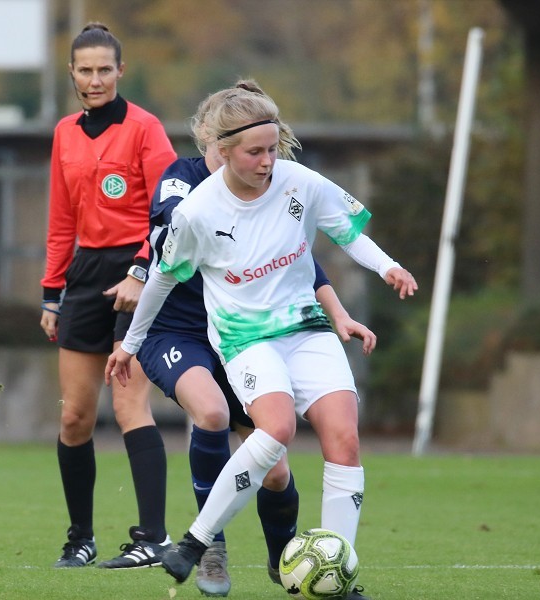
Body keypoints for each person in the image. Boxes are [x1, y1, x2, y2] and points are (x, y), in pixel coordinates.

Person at [106, 83, 418, 599]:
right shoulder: (198, 211)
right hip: (245, 337)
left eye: (273, 149)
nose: (268, 161)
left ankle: (335, 576)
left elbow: (346, 233)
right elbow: (160, 277)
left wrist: (389, 267)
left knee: (345, 438)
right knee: (276, 431)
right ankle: (198, 541)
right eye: (255, 152)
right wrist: (131, 344)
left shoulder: (299, 182)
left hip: (306, 328)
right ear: (224, 150)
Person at [40, 22, 178, 569]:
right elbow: (60, 221)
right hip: (85, 274)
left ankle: (153, 537)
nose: (94, 79)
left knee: (127, 404)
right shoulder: (64, 133)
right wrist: (51, 294)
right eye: (85, 70)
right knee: (75, 416)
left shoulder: (146, 129)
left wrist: (141, 272)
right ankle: (80, 539)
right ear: (71, 73)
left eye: (104, 69)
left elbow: (170, 213)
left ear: (121, 71)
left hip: (139, 273)